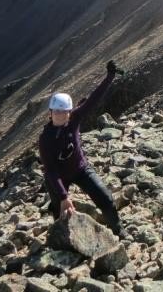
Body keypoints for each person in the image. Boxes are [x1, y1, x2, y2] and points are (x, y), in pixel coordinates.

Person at [38, 60, 126, 238]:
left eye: (64, 112)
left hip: (80, 169)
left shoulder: (74, 120)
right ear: (50, 113)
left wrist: (110, 76)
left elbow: (93, 100)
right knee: (59, 210)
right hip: (59, 176)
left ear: (70, 112)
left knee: (106, 199)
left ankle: (118, 230)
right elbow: (51, 171)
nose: (61, 115)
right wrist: (63, 196)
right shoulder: (45, 139)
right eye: (57, 112)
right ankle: (60, 236)